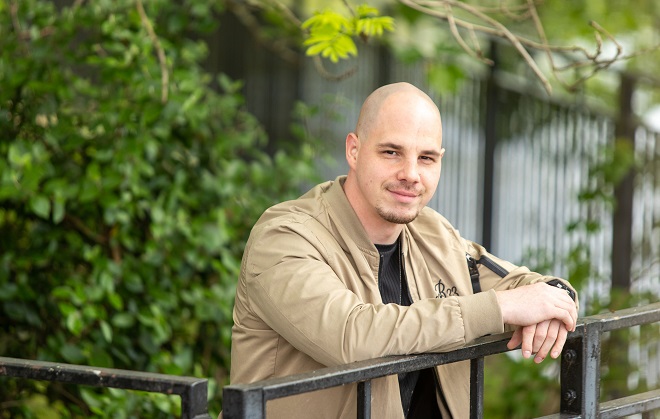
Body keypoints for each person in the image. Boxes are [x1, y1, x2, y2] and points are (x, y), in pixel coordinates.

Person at [228, 82, 579, 418]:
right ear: (353, 149)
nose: (410, 174)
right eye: (391, 152)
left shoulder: (432, 232)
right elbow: (352, 337)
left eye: (426, 158)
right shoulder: (284, 237)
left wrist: (557, 297)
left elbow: (522, 285)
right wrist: (499, 307)